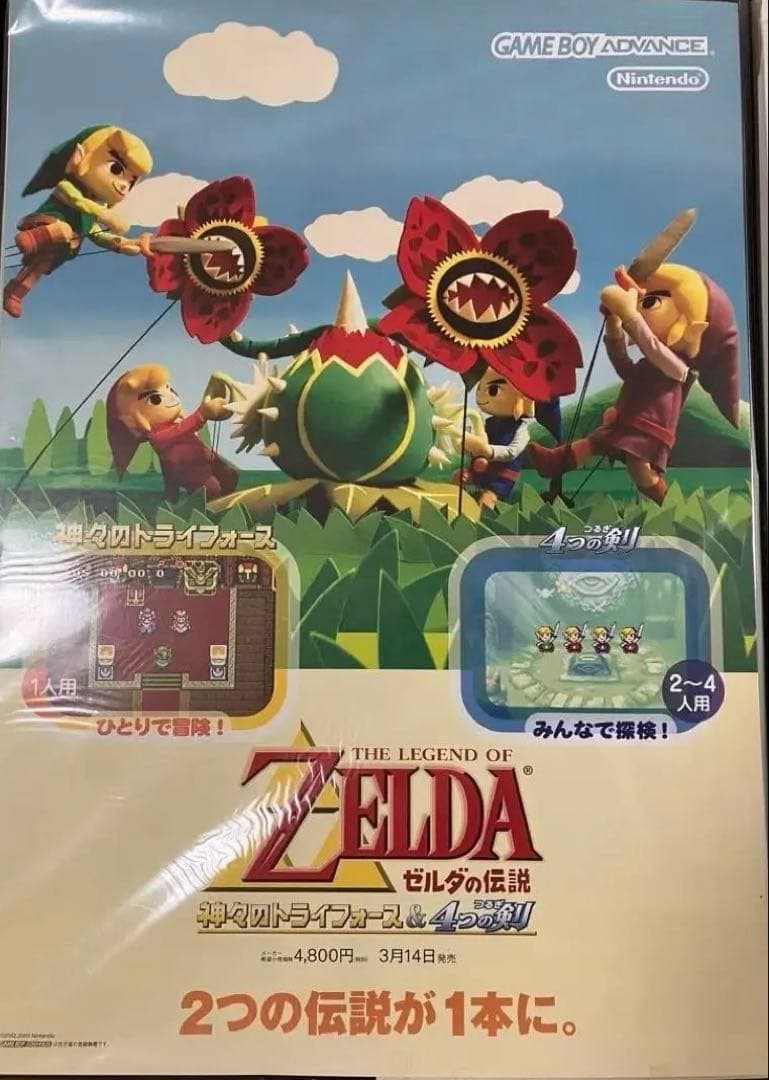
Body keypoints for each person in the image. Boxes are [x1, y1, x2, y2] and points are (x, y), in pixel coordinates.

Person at [4, 125, 153, 317]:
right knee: (63, 230)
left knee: (39, 268)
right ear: (79, 155)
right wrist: (103, 213)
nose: (124, 185)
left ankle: (14, 294)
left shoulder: (92, 213)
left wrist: (125, 244)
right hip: (44, 223)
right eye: (116, 168)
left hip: (62, 246)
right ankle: (31, 239)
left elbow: (97, 234)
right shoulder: (69, 186)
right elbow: (72, 198)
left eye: (131, 182)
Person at [107, 363, 238, 500]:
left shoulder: (175, 423)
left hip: (202, 458)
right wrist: (201, 414)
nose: (171, 397)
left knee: (231, 475)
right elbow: (182, 429)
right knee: (212, 491)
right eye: (155, 399)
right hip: (189, 470)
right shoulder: (157, 437)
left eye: (169, 389)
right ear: (133, 419)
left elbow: (188, 428)